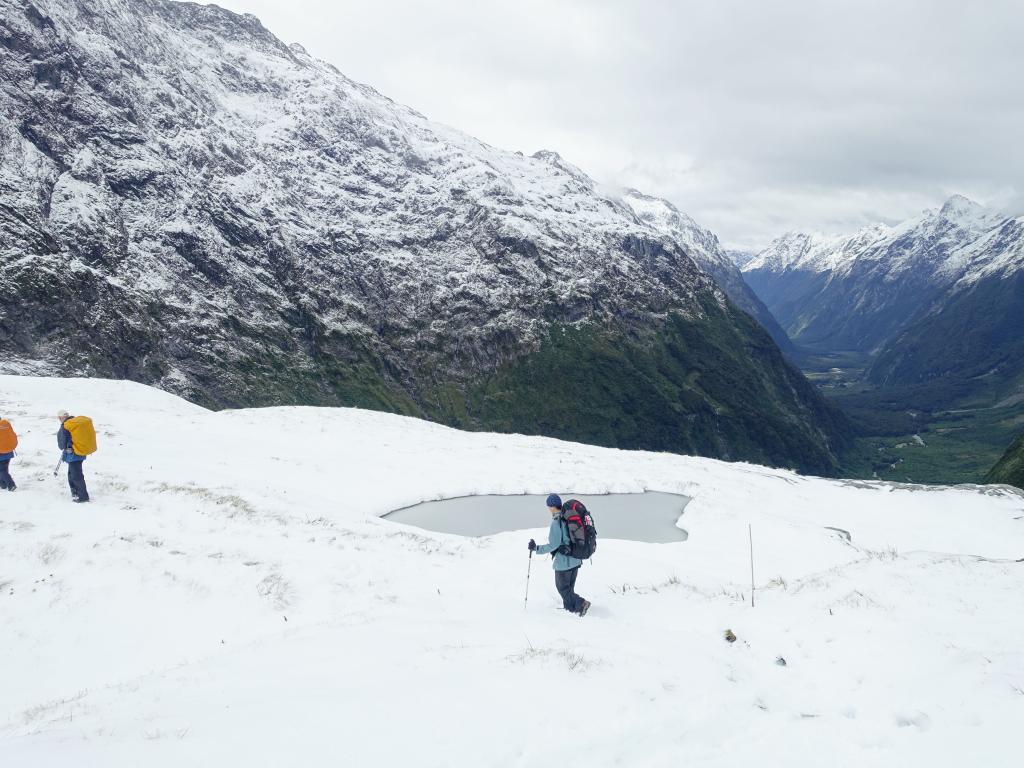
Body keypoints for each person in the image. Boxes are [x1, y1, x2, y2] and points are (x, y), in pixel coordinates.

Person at [528, 493, 591, 616]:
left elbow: (553, 545)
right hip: (576, 559)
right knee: (569, 589)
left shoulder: (556, 522)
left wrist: (536, 548)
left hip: (564, 564)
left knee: (563, 589)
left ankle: (582, 603)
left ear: (551, 507)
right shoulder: (568, 518)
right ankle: (571, 610)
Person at [57, 411, 90, 503]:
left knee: (76, 475)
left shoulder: (66, 426)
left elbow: (62, 444)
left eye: (59, 418)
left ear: (61, 418)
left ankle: (83, 497)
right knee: (72, 473)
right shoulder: (76, 423)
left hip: (73, 454)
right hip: (80, 451)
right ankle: (75, 492)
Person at [0, 416, 17, 491]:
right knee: (4, 468)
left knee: (2, 470)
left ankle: (11, 485)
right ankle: (3, 484)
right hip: (9, 452)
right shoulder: (6, 425)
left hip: (1, 453)